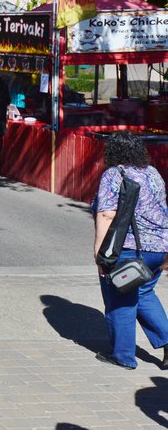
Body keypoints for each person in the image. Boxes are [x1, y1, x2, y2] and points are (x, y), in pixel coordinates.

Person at [91, 132, 168, 370]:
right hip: (159, 248)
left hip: (129, 249)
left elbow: (106, 214)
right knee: (144, 293)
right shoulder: (152, 172)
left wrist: (100, 253)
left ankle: (123, 356)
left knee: (120, 301)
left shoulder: (114, 174)